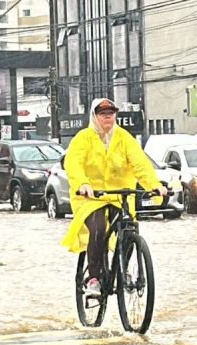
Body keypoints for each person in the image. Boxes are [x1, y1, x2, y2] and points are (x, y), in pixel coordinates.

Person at [61, 98, 167, 297]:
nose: (107, 117)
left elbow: (140, 164)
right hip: (91, 198)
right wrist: (82, 183)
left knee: (129, 229)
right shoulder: (83, 138)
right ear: (94, 117)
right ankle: (94, 278)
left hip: (119, 196)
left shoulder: (124, 138)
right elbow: (73, 163)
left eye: (111, 113)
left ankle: (122, 268)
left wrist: (154, 185)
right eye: (102, 114)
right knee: (99, 228)